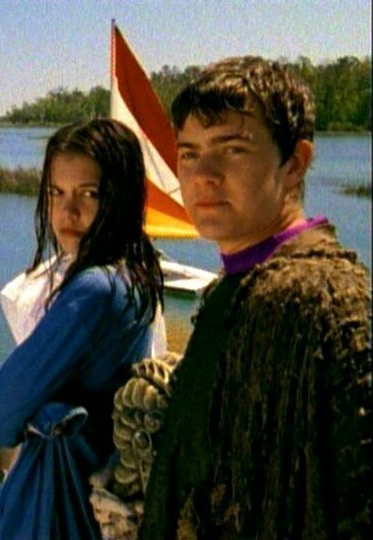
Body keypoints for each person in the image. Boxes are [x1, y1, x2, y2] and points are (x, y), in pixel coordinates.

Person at [139, 56, 372, 538]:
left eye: (233, 149)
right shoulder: (234, 289)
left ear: (295, 163)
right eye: (189, 154)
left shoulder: (332, 304)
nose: (202, 175)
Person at [0, 118, 165, 539]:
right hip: (88, 506)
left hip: (52, 512)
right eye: (56, 193)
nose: (68, 212)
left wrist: (42, 413)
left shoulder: (94, 290)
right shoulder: (138, 272)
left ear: (119, 197)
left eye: (89, 194)